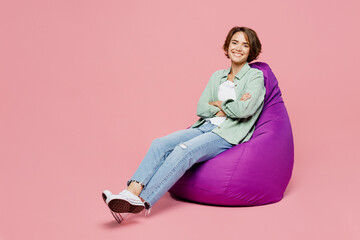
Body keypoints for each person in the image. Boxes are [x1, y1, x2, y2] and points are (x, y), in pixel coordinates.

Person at [102, 26, 266, 223]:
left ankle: (141, 200)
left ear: (251, 50)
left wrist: (220, 104)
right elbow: (201, 108)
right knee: (159, 144)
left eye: (245, 44)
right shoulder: (217, 76)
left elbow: (245, 111)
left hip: (226, 133)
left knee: (183, 151)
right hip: (205, 126)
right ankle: (128, 193)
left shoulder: (254, 77)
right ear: (228, 46)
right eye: (234, 42)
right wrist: (231, 106)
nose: (238, 48)